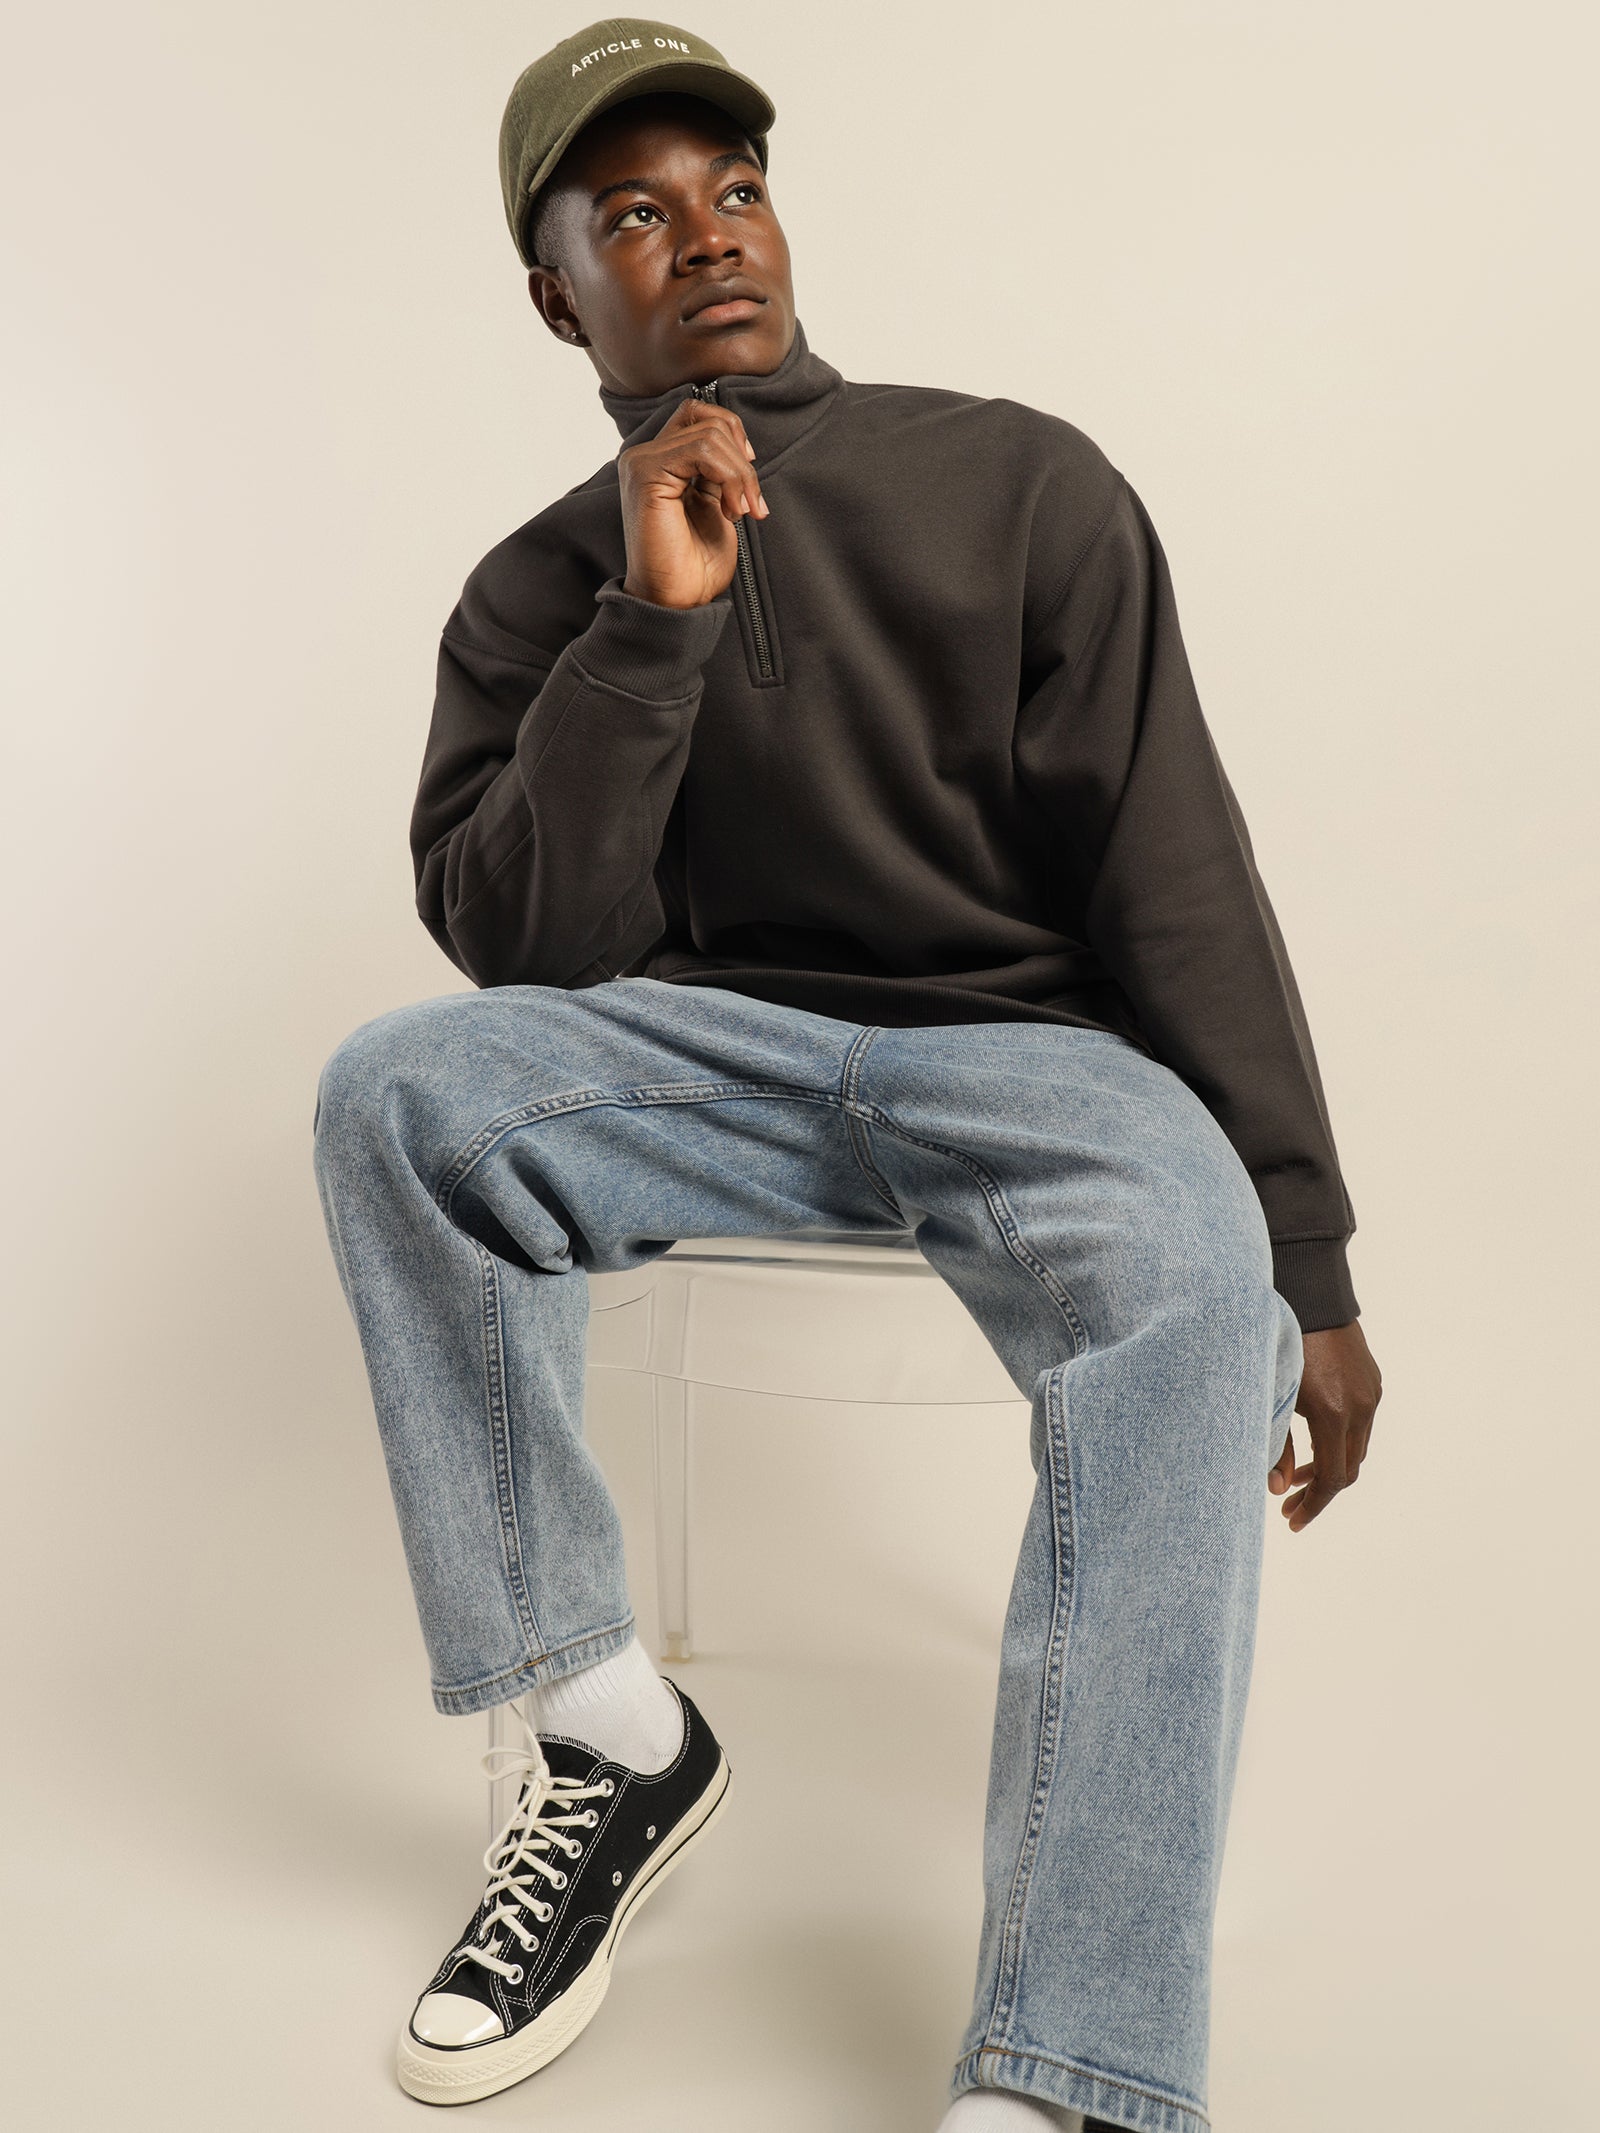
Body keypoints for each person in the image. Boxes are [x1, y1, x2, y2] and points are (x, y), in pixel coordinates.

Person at [312, 17, 1383, 2127]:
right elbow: (532, 951)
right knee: (397, 1093)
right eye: (635, 214)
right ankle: (609, 1732)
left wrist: (1310, 1257)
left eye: (734, 189)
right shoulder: (532, 593)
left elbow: (1177, 875)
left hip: (1037, 1071)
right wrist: (650, 622)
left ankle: (1066, 2064)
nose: (708, 236)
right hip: (713, 1065)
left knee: (1193, 1275)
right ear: (557, 298)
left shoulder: (1019, 481)